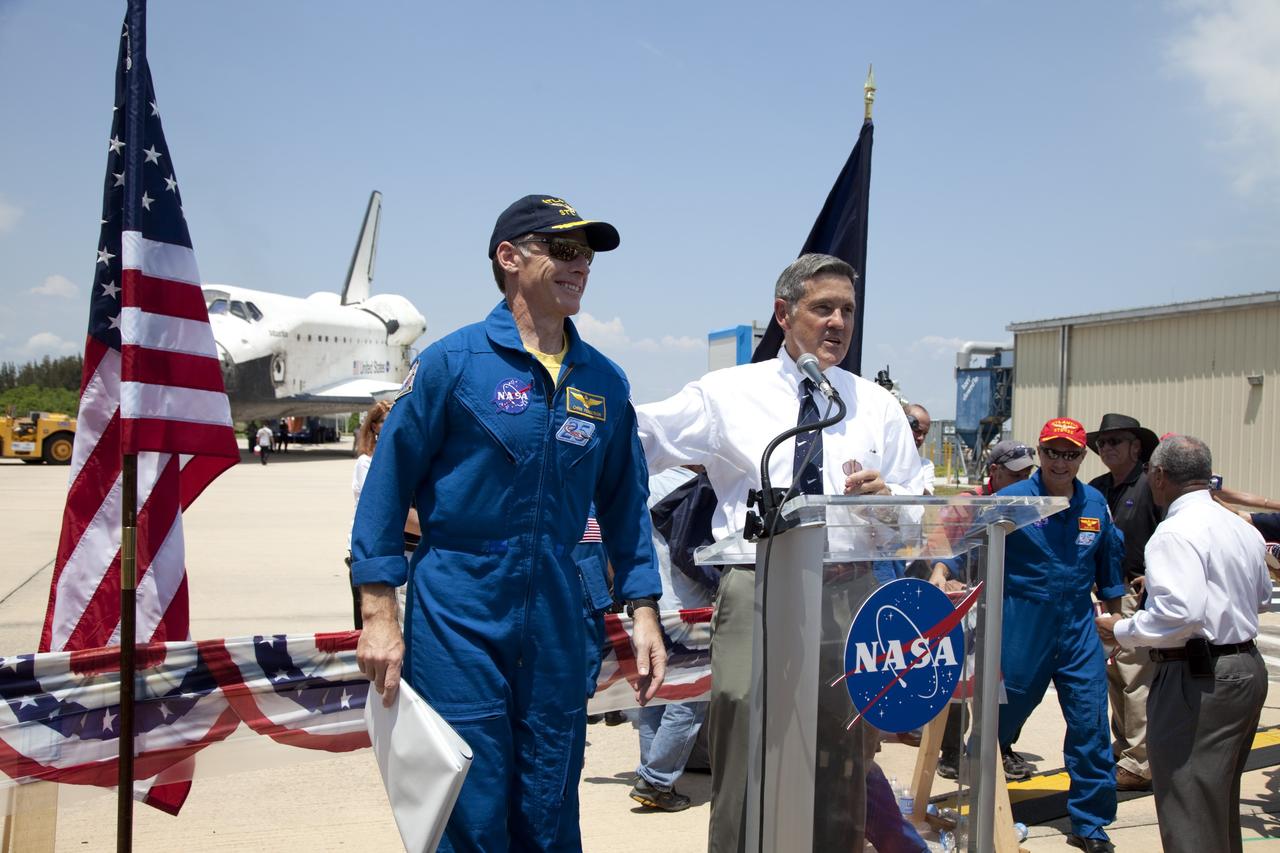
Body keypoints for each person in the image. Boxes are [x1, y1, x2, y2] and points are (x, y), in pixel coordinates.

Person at [350, 194, 666, 851]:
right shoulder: (452, 364)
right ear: (510, 257)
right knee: (469, 809)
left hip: (558, 620)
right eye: (565, 250)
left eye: (588, 255)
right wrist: (379, 610)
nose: (581, 266)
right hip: (458, 615)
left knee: (549, 810)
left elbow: (626, 502)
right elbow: (386, 486)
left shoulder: (604, 382)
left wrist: (644, 607)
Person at [636, 253, 925, 852]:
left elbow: (917, 509)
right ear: (784, 313)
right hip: (756, 585)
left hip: (849, 591)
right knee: (745, 727)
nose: (837, 322)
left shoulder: (875, 405)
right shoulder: (728, 393)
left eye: (847, 310)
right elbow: (640, 439)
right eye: (823, 308)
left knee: (841, 746)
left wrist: (890, 500)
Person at [1096, 435, 1270, 853]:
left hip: (1198, 676)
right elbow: (1261, 596)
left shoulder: (1173, 532)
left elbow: (1180, 615)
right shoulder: (1236, 525)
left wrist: (1121, 628)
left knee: (1187, 802)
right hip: (1244, 666)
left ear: (1158, 476)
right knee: (1216, 799)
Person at [988, 418, 1125, 853]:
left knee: (1089, 722)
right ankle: (985, 799)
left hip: (1079, 625)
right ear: (1040, 453)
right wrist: (941, 572)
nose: (1060, 462)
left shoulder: (1095, 503)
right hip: (1022, 619)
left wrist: (1116, 618)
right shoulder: (1011, 499)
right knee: (1003, 714)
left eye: (1070, 454)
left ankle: (1090, 823)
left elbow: (1110, 563)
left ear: (1082, 457)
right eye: (1052, 452)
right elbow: (971, 543)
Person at [927, 438, 1037, 780]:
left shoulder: (1030, 502)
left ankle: (999, 745)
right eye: (1017, 473)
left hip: (1011, 599)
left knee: (1006, 680)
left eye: (1029, 472)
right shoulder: (968, 503)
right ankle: (950, 751)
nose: (1026, 479)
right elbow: (944, 543)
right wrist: (943, 572)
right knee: (963, 679)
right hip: (971, 598)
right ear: (994, 471)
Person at [627, 467, 712, 813]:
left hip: (647, 604)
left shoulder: (644, 482)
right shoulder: (692, 485)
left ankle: (652, 772)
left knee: (654, 692)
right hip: (687, 606)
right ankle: (657, 778)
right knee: (689, 697)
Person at [1085, 413, 1161, 792]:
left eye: (1116, 441)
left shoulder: (1151, 485)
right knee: (1114, 675)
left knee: (1134, 676)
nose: (1107, 447)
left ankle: (1140, 760)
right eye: (1102, 442)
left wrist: (1156, 576)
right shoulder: (1096, 488)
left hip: (1135, 592)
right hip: (1101, 593)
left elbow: (1167, 533)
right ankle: (1126, 747)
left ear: (1136, 446)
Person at [348, 400, 419, 628]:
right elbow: (390, 510)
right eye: (385, 422)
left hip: (407, 550)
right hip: (377, 551)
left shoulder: (407, 458)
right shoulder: (367, 463)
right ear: (374, 427)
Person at [905, 403, 934, 494]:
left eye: (925, 434)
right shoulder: (883, 458)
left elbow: (927, 499)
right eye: (917, 431)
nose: (921, 438)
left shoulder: (925, 465)